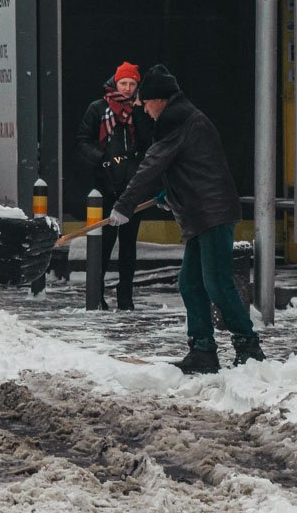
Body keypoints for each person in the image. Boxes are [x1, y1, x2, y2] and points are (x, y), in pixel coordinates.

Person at [107, 65, 266, 373]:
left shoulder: (177, 120)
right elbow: (194, 165)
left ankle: (249, 347)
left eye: (146, 103)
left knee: (217, 283)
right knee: (191, 283)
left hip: (213, 213)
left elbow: (152, 165)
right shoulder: (184, 118)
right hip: (201, 213)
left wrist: (124, 205)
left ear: (159, 99)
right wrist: (171, 196)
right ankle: (203, 350)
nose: (144, 109)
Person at [75, 61, 152, 310]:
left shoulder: (142, 109)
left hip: (133, 186)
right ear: (115, 83)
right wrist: (102, 159)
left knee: (129, 244)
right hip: (105, 185)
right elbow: (82, 141)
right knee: (104, 242)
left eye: (132, 84)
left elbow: (147, 141)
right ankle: (96, 293)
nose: (128, 88)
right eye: (124, 83)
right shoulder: (98, 109)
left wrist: (139, 113)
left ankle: (125, 296)